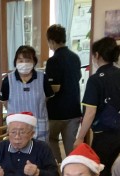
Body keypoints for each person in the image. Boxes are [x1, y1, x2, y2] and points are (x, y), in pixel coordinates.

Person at [73, 37, 120, 176]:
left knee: (99, 171)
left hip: (105, 135)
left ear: (97, 55)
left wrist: (80, 137)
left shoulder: (95, 80)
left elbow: (90, 112)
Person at [0, 45, 54, 142]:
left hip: (39, 126)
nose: (24, 63)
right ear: (15, 62)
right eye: (20, 60)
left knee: (40, 150)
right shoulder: (8, 80)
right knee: (18, 150)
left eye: (28, 60)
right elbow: (5, 102)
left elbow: (46, 98)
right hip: (16, 128)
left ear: (34, 62)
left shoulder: (42, 78)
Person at [45, 24, 82, 163]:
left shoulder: (53, 61)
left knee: (51, 139)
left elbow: (54, 88)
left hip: (56, 112)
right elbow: (77, 78)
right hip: (74, 110)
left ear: (51, 41)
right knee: (71, 148)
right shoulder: (75, 57)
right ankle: (72, 172)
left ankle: (58, 169)